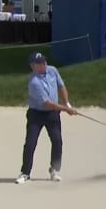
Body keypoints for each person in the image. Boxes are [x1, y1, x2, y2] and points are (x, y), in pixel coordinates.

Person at [15, 52, 76, 184]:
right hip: (36, 114)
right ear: (33, 66)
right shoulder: (34, 82)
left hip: (52, 114)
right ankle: (25, 173)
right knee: (30, 143)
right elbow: (47, 103)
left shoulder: (52, 70)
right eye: (40, 63)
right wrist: (66, 110)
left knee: (57, 141)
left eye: (44, 61)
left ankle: (54, 170)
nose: (44, 64)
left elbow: (61, 86)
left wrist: (67, 103)